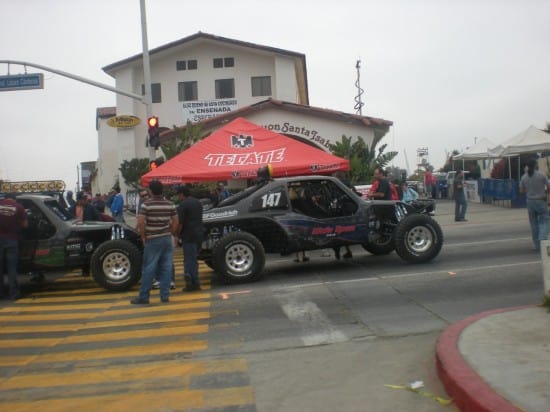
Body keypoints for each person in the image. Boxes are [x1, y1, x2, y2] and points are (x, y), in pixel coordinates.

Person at [131, 180, 179, 305]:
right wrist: (171, 231)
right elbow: (176, 221)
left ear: (151, 191)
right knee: (166, 267)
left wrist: (143, 236)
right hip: (166, 238)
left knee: (149, 268)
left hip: (152, 239)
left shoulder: (146, 205)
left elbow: (141, 222)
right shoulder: (170, 204)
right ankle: (164, 296)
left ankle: (144, 296)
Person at [0, 194, 28, 300]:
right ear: (14, 198)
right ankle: (14, 294)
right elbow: (25, 225)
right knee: (12, 268)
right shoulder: (18, 207)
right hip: (12, 240)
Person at [177, 185, 204, 292]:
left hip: (188, 235)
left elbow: (180, 223)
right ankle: (194, 281)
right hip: (199, 234)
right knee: (193, 258)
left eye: (178, 195)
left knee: (189, 260)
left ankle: (193, 283)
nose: (178, 197)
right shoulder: (198, 203)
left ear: (182, 194)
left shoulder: (183, 205)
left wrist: (176, 234)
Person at [519, 158, 550, 251]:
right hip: (540, 200)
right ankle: (542, 238)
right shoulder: (541, 175)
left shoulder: (524, 177)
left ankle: (537, 245)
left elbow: (521, 191)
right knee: (545, 220)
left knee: (533, 223)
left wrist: (529, 190)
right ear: (536, 165)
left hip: (530, 201)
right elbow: (548, 187)